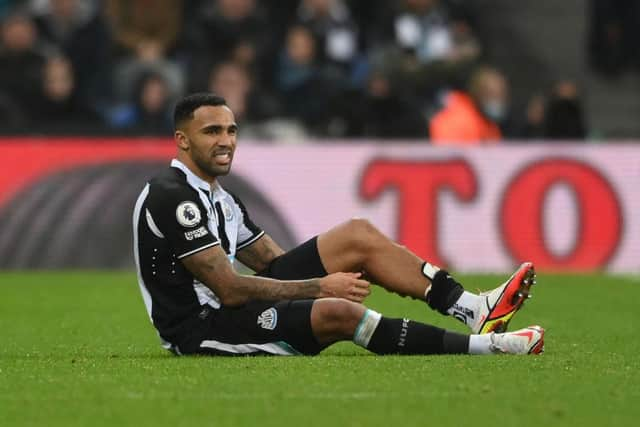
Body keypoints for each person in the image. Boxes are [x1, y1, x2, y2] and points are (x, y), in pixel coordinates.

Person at [132, 92, 545, 357]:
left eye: (231, 130)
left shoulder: (221, 196)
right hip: (202, 329)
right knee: (340, 313)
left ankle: (472, 308)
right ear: (182, 140)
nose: (226, 140)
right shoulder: (172, 195)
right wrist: (318, 288)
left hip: (235, 305)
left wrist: (330, 269)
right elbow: (230, 287)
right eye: (211, 132)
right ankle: (490, 347)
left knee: (355, 235)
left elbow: (273, 261)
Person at [429, 66, 508, 145]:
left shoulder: (490, 125)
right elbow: (446, 153)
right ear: (476, 92)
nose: (497, 100)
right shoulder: (456, 120)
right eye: (491, 94)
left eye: (501, 95)